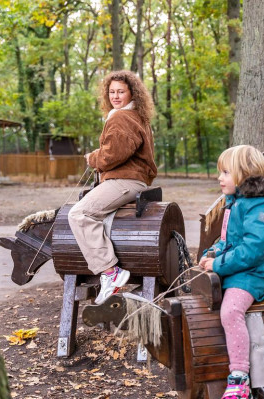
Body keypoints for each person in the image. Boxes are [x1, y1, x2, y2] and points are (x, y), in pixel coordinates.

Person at [198, 145, 264, 399]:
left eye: (225, 172)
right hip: (240, 267)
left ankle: (239, 377)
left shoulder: (263, 207)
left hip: (255, 273)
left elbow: (253, 251)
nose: (219, 178)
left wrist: (219, 265)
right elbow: (228, 240)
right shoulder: (238, 202)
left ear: (245, 174)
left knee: (231, 311)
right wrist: (213, 253)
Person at [68, 70, 157, 305]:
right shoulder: (136, 115)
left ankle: (110, 271)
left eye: (121, 91)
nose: (115, 96)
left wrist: (93, 158)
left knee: (79, 213)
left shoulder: (121, 117)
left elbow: (113, 155)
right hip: (132, 179)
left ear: (131, 93)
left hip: (125, 180)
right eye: (112, 92)